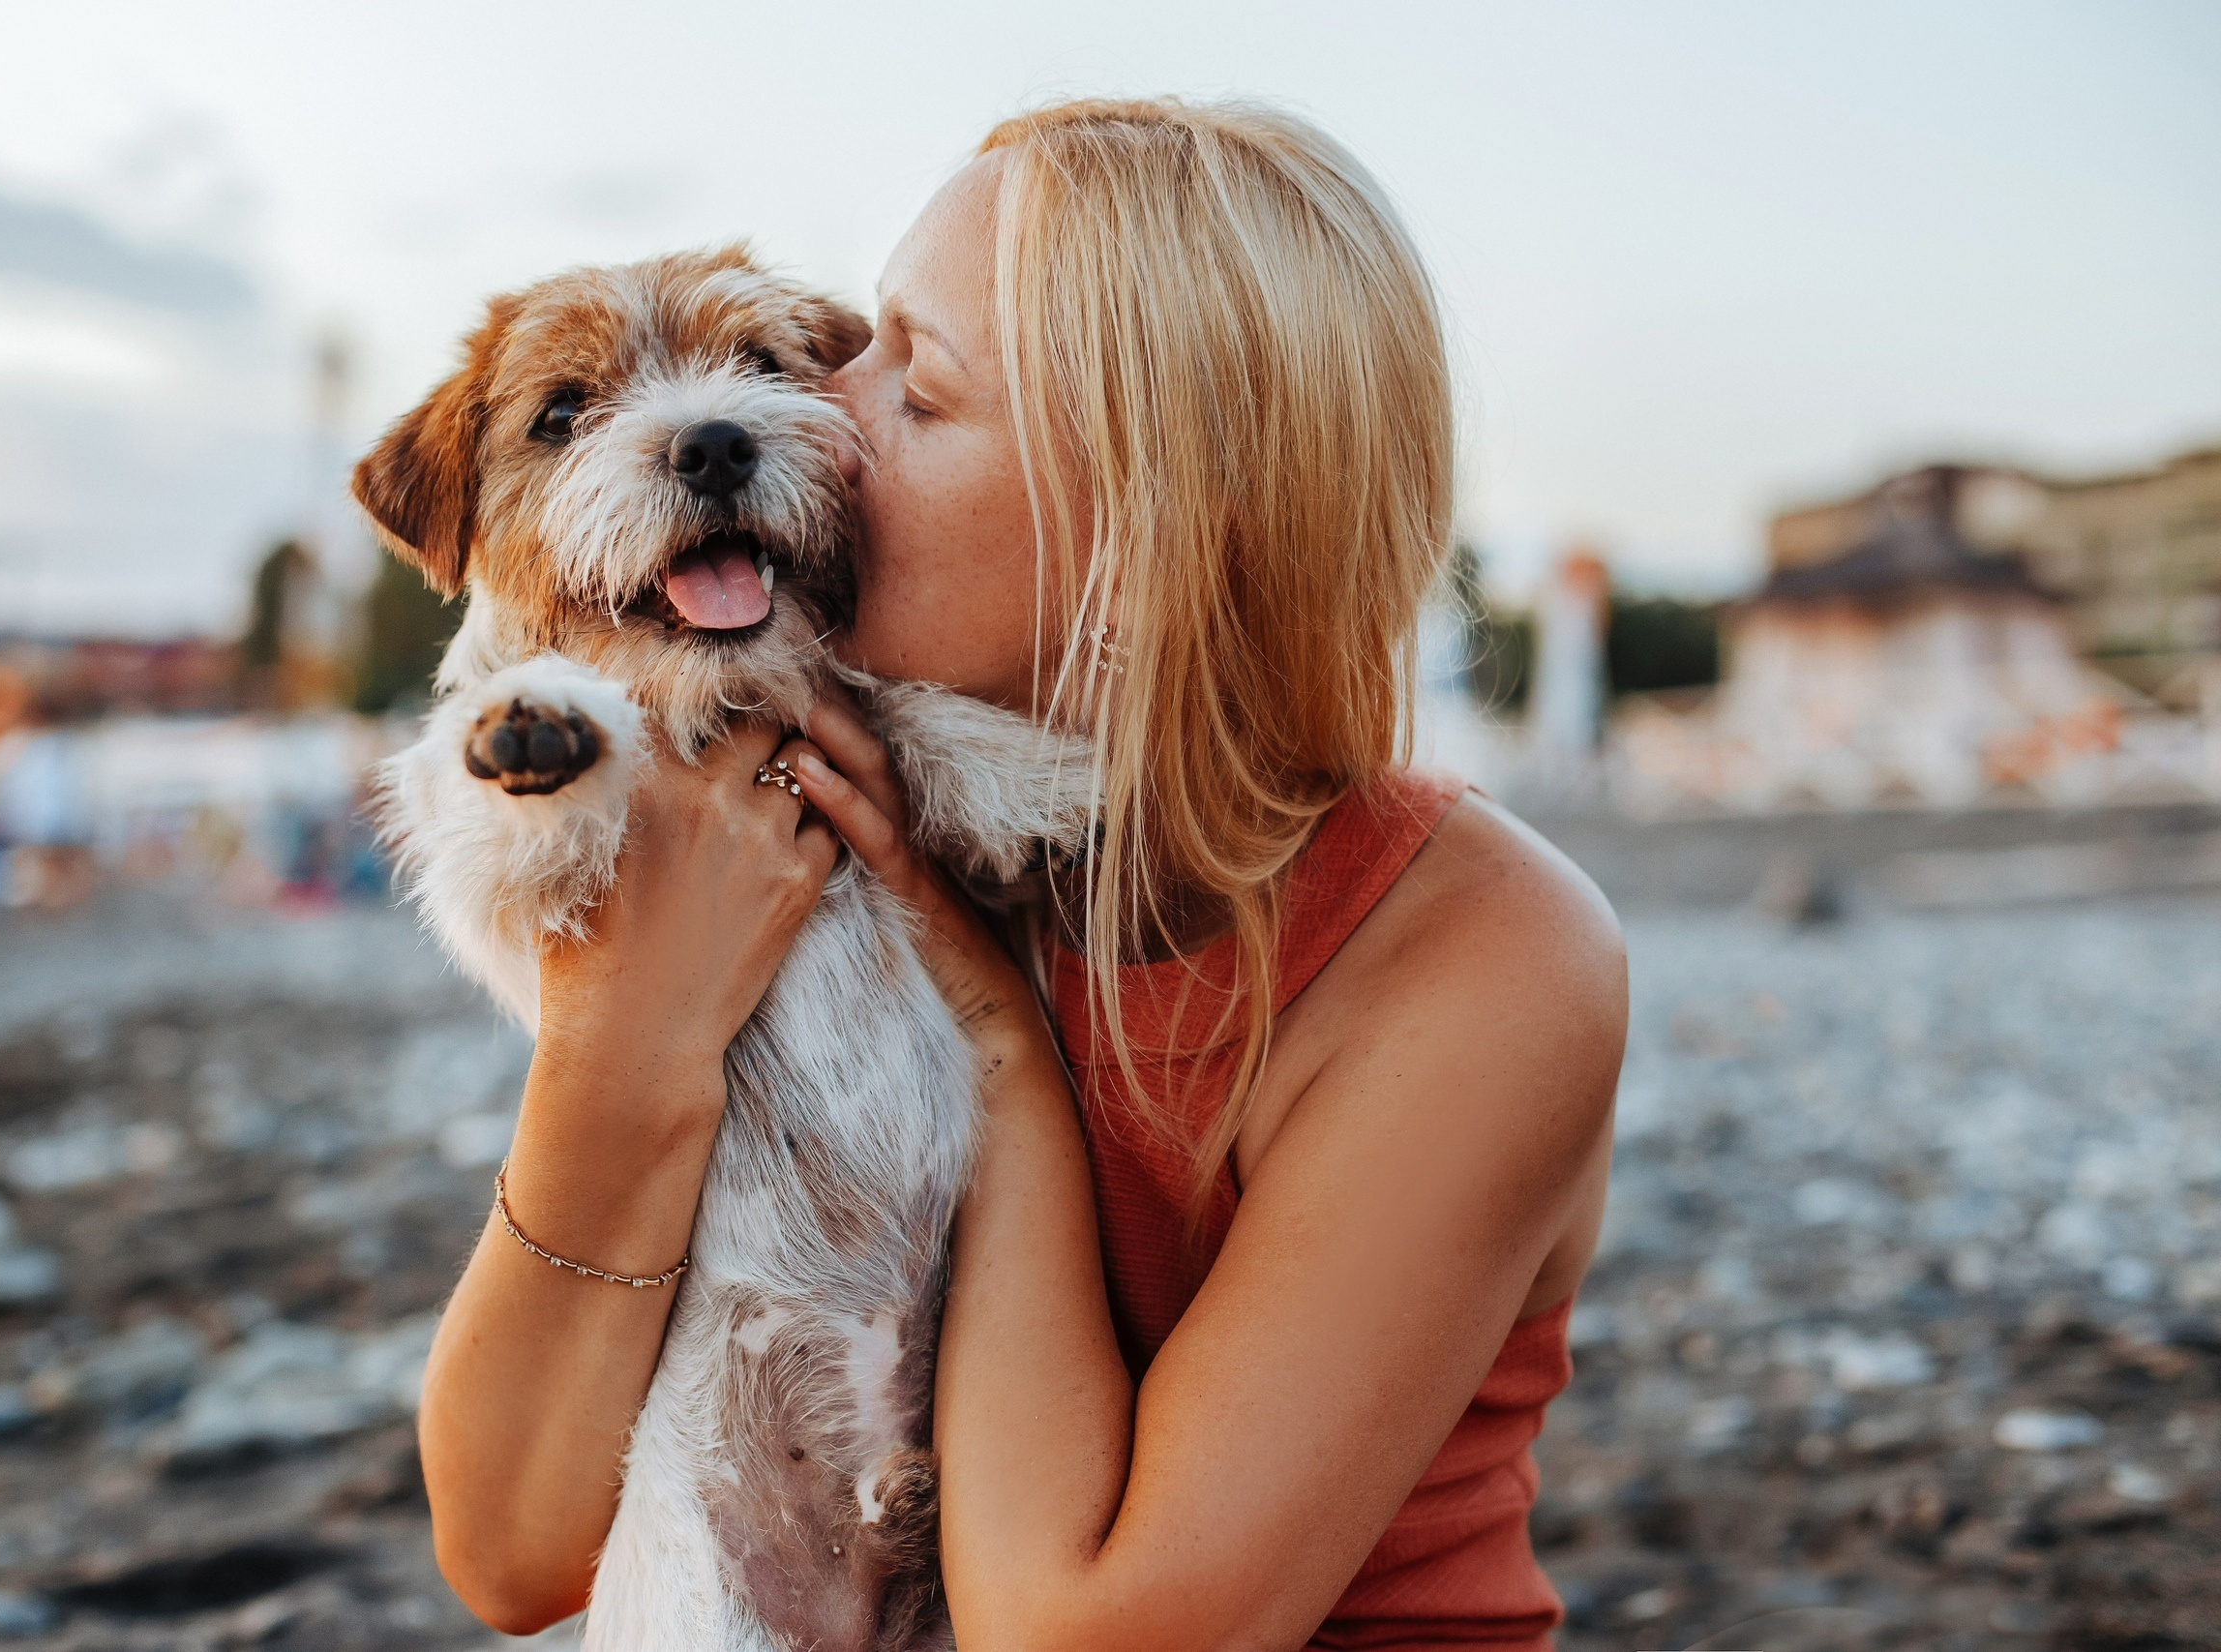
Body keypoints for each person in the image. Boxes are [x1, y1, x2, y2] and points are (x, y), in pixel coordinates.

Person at [419, 97, 1627, 1651]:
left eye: (910, 388)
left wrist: (998, 1040)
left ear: (1138, 545)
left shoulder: (1481, 962)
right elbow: (514, 1552)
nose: (815, 413)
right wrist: (624, 1025)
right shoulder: (803, 816)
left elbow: (1083, 1637)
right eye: (833, 351)